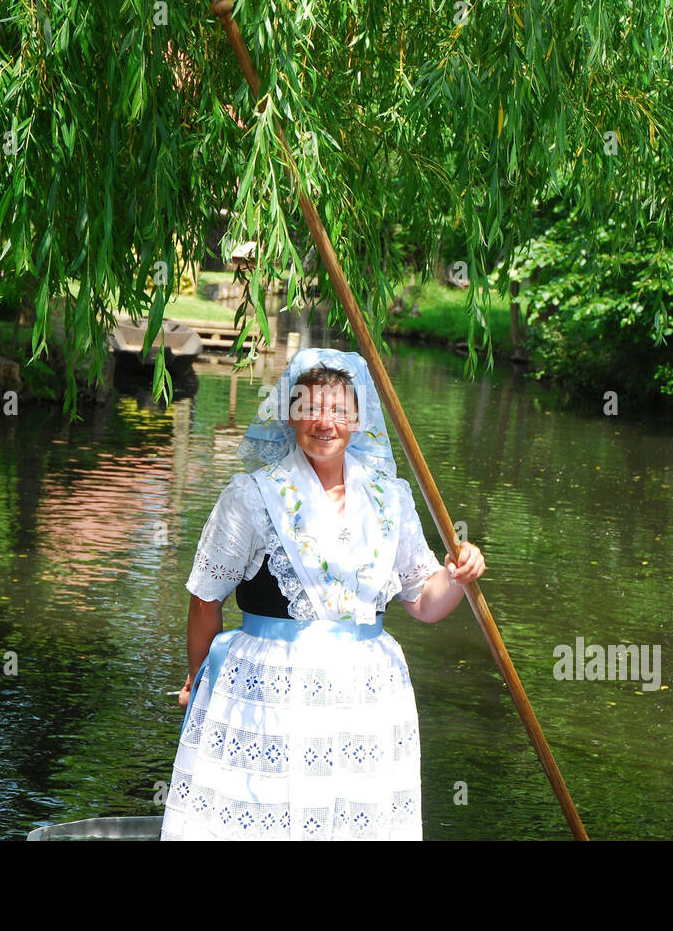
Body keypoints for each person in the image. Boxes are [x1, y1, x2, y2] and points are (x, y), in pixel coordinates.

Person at [160, 348, 486, 840]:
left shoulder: (389, 498)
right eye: (310, 408)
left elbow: (423, 602)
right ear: (289, 416)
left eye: (338, 409)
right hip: (267, 689)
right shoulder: (251, 495)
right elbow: (206, 598)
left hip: (365, 692)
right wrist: (196, 675)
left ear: (358, 419)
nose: (324, 422)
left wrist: (459, 574)